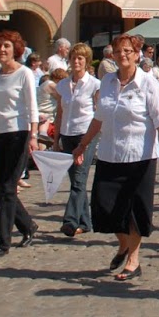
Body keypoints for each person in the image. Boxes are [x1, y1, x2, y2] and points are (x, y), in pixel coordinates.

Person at [72, 33, 159, 282]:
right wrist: (83, 145)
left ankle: (133, 260)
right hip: (109, 153)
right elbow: (99, 117)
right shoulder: (106, 81)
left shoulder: (148, 83)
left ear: (138, 54)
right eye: (119, 51)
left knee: (134, 211)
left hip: (140, 155)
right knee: (104, 208)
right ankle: (124, 244)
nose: (123, 55)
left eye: (128, 51)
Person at [0, 31, 40, 258]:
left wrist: (33, 135)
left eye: (6, 46)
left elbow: (32, 106)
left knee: (7, 188)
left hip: (18, 134)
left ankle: (2, 242)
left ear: (15, 49)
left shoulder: (24, 73)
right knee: (2, 185)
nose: (2, 50)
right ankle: (28, 225)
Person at [55, 43, 101, 238]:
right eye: (74, 58)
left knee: (80, 178)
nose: (76, 61)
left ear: (86, 61)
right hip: (67, 133)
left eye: (80, 58)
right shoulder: (63, 85)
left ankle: (70, 220)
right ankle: (85, 222)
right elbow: (60, 112)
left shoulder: (94, 84)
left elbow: (99, 113)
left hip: (86, 133)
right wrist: (56, 139)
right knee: (75, 179)